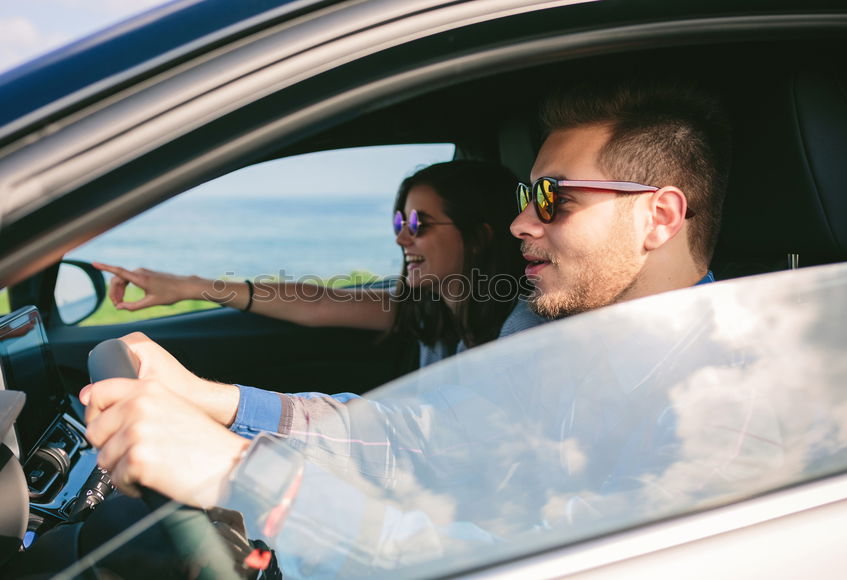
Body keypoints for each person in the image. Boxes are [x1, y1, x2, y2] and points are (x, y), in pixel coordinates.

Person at [78, 79, 733, 572]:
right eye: (522, 197)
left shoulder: (722, 410)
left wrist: (239, 472)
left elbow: (523, 561)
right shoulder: (551, 337)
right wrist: (213, 404)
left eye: (552, 199)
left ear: (660, 217)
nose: (521, 224)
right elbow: (414, 436)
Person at [93, 159, 543, 370]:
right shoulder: (433, 309)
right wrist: (188, 287)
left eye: (419, 224)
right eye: (399, 220)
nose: (401, 236)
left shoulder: (518, 329)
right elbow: (316, 304)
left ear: (480, 235)